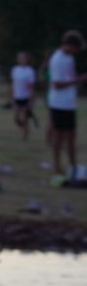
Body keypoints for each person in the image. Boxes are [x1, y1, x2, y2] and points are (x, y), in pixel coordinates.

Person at [48, 30, 86, 178]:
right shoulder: (58, 59)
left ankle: (73, 165)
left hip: (69, 103)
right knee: (59, 136)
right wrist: (79, 80)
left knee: (71, 136)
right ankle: (57, 166)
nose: (77, 51)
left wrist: (78, 78)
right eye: (76, 48)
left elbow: (68, 77)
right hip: (59, 103)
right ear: (69, 45)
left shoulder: (69, 58)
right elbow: (57, 84)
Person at [11, 51, 38, 140]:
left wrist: (31, 100)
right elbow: (14, 84)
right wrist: (12, 96)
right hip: (17, 96)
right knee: (16, 118)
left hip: (26, 96)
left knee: (25, 118)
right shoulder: (15, 70)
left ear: (27, 59)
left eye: (24, 58)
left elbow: (32, 86)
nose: (22, 60)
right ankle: (24, 129)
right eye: (20, 58)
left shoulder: (30, 71)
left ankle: (25, 136)